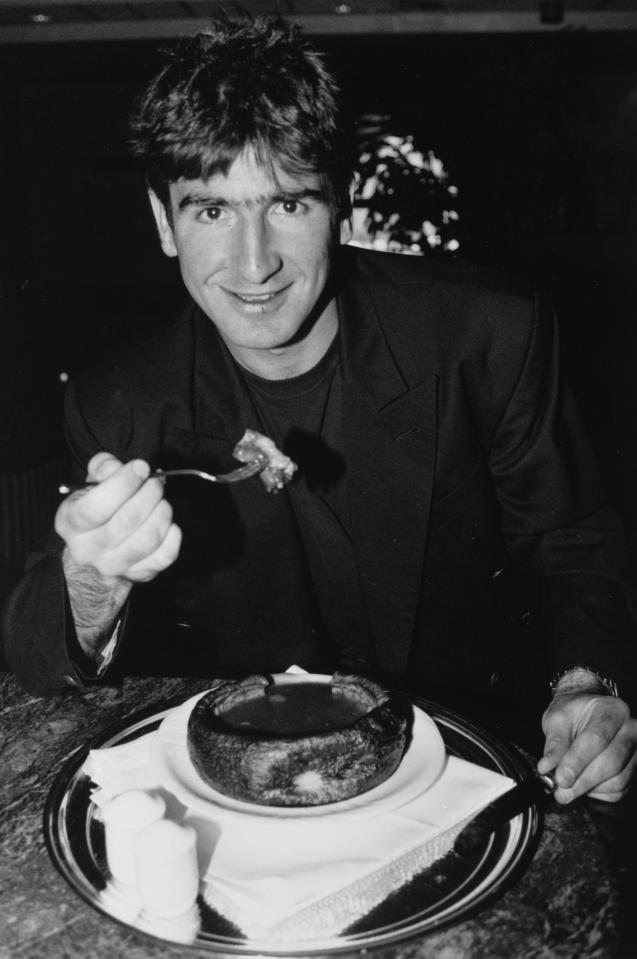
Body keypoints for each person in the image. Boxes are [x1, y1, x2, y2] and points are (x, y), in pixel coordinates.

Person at [3, 13, 636, 805]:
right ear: (165, 223)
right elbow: (35, 647)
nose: (253, 261)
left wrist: (583, 684)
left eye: (288, 205)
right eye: (211, 211)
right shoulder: (119, 400)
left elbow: (572, 545)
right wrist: (95, 577)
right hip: (251, 788)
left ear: (337, 205)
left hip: (474, 758)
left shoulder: (488, 332)